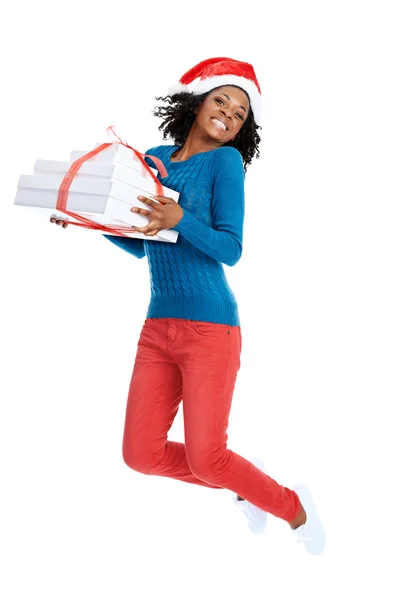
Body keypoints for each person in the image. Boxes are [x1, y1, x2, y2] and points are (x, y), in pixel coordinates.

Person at [50, 57, 325, 555]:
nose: (228, 114)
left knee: (207, 459)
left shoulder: (225, 163)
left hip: (211, 329)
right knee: (140, 454)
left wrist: (181, 216)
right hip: (157, 328)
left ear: (243, 128)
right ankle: (248, 486)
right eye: (222, 100)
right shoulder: (155, 155)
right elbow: (143, 243)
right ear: (197, 102)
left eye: (240, 113)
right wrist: (90, 223)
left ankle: (293, 507)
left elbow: (231, 249)